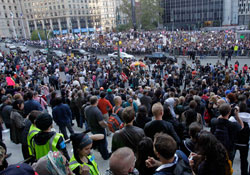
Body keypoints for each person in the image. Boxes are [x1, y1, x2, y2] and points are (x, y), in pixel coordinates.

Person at [85, 96, 110, 160]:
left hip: (92, 127)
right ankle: (105, 155)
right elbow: (101, 122)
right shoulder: (97, 111)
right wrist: (107, 125)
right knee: (103, 143)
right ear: (97, 101)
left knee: (96, 140)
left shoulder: (86, 108)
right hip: (99, 129)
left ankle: (95, 148)